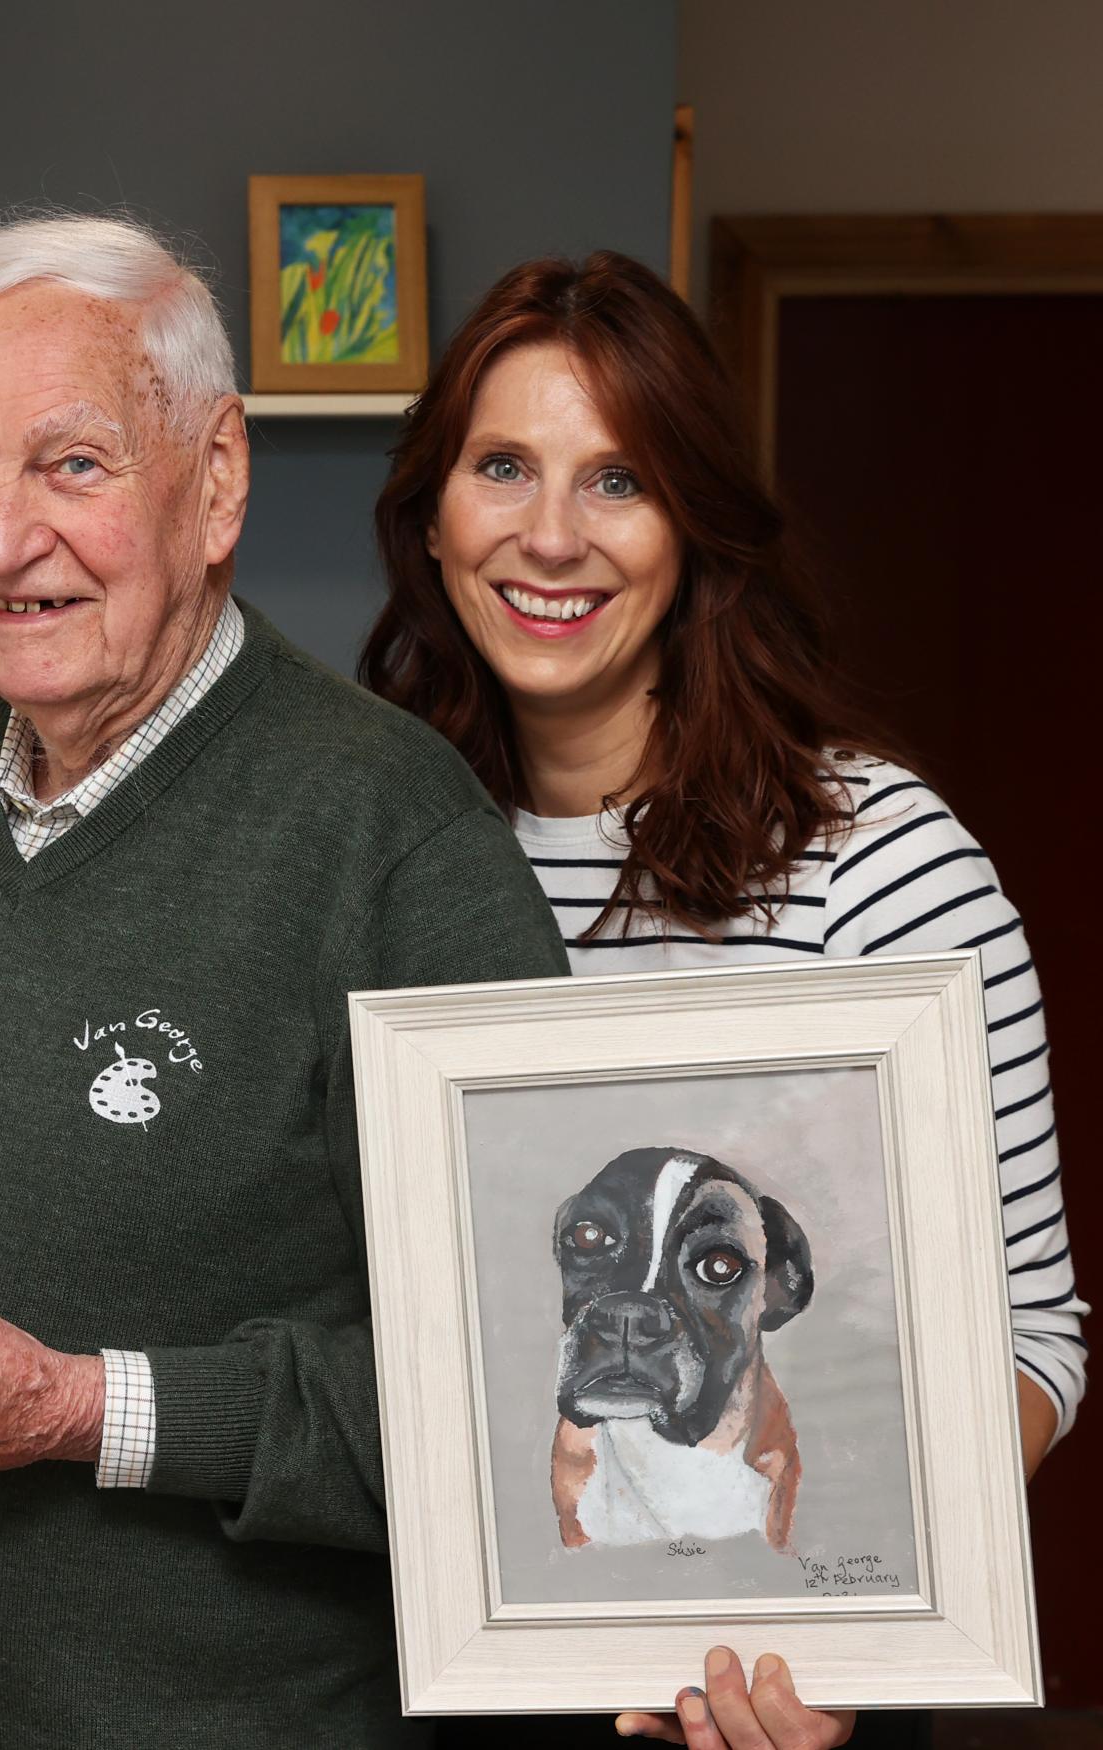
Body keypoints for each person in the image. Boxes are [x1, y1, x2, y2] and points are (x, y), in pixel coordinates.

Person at [0, 212, 568, 1749]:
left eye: (67, 463)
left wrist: (77, 1407)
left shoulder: (396, 837)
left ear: (214, 481)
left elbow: (522, 1403)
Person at [363, 251, 1086, 1750]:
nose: (550, 536)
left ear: (694, 529)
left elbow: (1033, 1340)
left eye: (618, 481)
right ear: (433, 518)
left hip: (778, 1690)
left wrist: (838, 1602)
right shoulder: (364, 859)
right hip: (443, 1677)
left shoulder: (881, 863)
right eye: (503, 467)